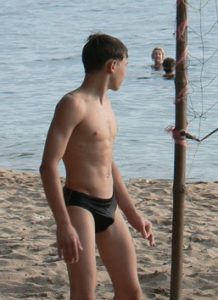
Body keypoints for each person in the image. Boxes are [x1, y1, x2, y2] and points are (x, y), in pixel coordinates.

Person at [40, 33, 155, 300]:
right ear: (112, 65)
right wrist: (63, 224)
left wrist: (134, 215)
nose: (126, 72)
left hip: (109, 205)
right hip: (80, 205)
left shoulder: (106, 105)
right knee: (84, 294)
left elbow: (108, 164)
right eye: (126, 65)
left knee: (131, 292)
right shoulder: (73, 104)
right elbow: (48, 166)